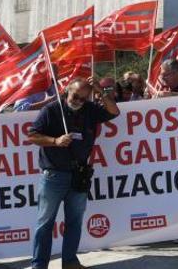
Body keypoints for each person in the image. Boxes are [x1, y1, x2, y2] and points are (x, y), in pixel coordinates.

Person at [28, 77, 120, 269]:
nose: (78, 101)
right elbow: (32, 135)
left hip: (79, 174)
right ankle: (39, 265)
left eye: (84, 98)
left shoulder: (90, 110)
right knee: (45, 223)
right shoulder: (51, 110)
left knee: (75, 222)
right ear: (66, 91)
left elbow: (114, 111)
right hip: (54, 175)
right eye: (76, 95)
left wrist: (99, 92)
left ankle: (69, 262)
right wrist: (55, 141)